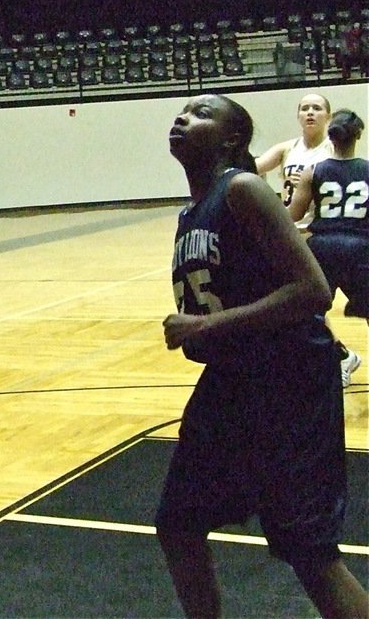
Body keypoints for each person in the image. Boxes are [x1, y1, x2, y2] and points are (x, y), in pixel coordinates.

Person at [158, 93, 368, 619]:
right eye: (183, 111)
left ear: (233, 139)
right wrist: (206, 334)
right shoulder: (191, 212)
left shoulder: (244, 189)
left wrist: (207, 324)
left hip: (290, 381)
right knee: (178, 524)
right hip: (233, 382)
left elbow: (313, 291)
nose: (184, 118)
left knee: (306, 548)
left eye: (202, 114)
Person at [289, 109, 367, 388]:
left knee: (312, 314)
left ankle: (334, 362)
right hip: (361, 248)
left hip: (322, 248)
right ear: (358, 135)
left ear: (331, 136)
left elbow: (293, 216)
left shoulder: (314, 171)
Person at [255, 92, 334, 229]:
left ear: (328, 117)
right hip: (291, 227)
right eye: (305, 109)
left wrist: (309, 184)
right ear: (298, 116)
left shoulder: (334, 148)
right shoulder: (286, 148)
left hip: (320, 227)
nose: (310, 113)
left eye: (316, 108)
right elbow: (250, 168)